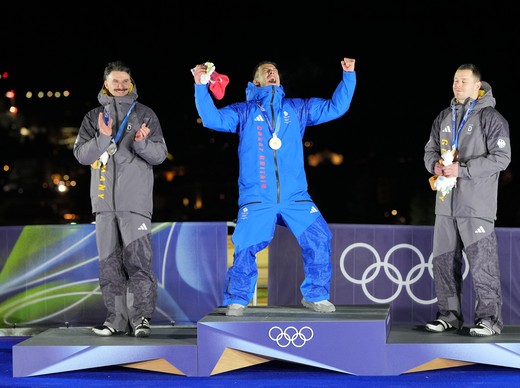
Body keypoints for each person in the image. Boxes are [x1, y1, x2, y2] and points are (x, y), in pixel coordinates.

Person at [191, 58, 356, 316]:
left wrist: (348, 76)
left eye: (275, 71)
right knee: (246, 245)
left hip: (296, 197)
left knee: (319, 237)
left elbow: (336, 107)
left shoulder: (297, 109)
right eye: (265, 71)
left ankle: (316, 295)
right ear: (256, 81)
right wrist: (200, 87)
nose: (272, 73)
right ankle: (238, 298)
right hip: (258, 197)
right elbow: (211, 119)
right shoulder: (244, 111)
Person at [73, 60, 168, 337]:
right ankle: (115, 320)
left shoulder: (145, 114)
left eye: (125, 81)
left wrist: (141, 142)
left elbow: (160, 155)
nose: (120, 85)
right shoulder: (93, 117)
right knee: (109, 265)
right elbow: (82, 155)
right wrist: (102, 138)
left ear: (131, 83)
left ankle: (141, 319)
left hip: (135, 205)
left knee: (139, 263)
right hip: (103, 205)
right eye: (115, 81)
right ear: (106, 84)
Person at [423, 63, 511, 336]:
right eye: (454, 81)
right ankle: (449, 315)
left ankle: (489, 320)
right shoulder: (443, 117)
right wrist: (434, 166)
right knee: (444, 261)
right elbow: (430, 150)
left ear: (477, 86)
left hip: (476, 205)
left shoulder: (491, 118)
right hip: (445, 202)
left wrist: (463, 170)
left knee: (482, 262)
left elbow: (502, 158)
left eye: (463, 81)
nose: (457, 85)